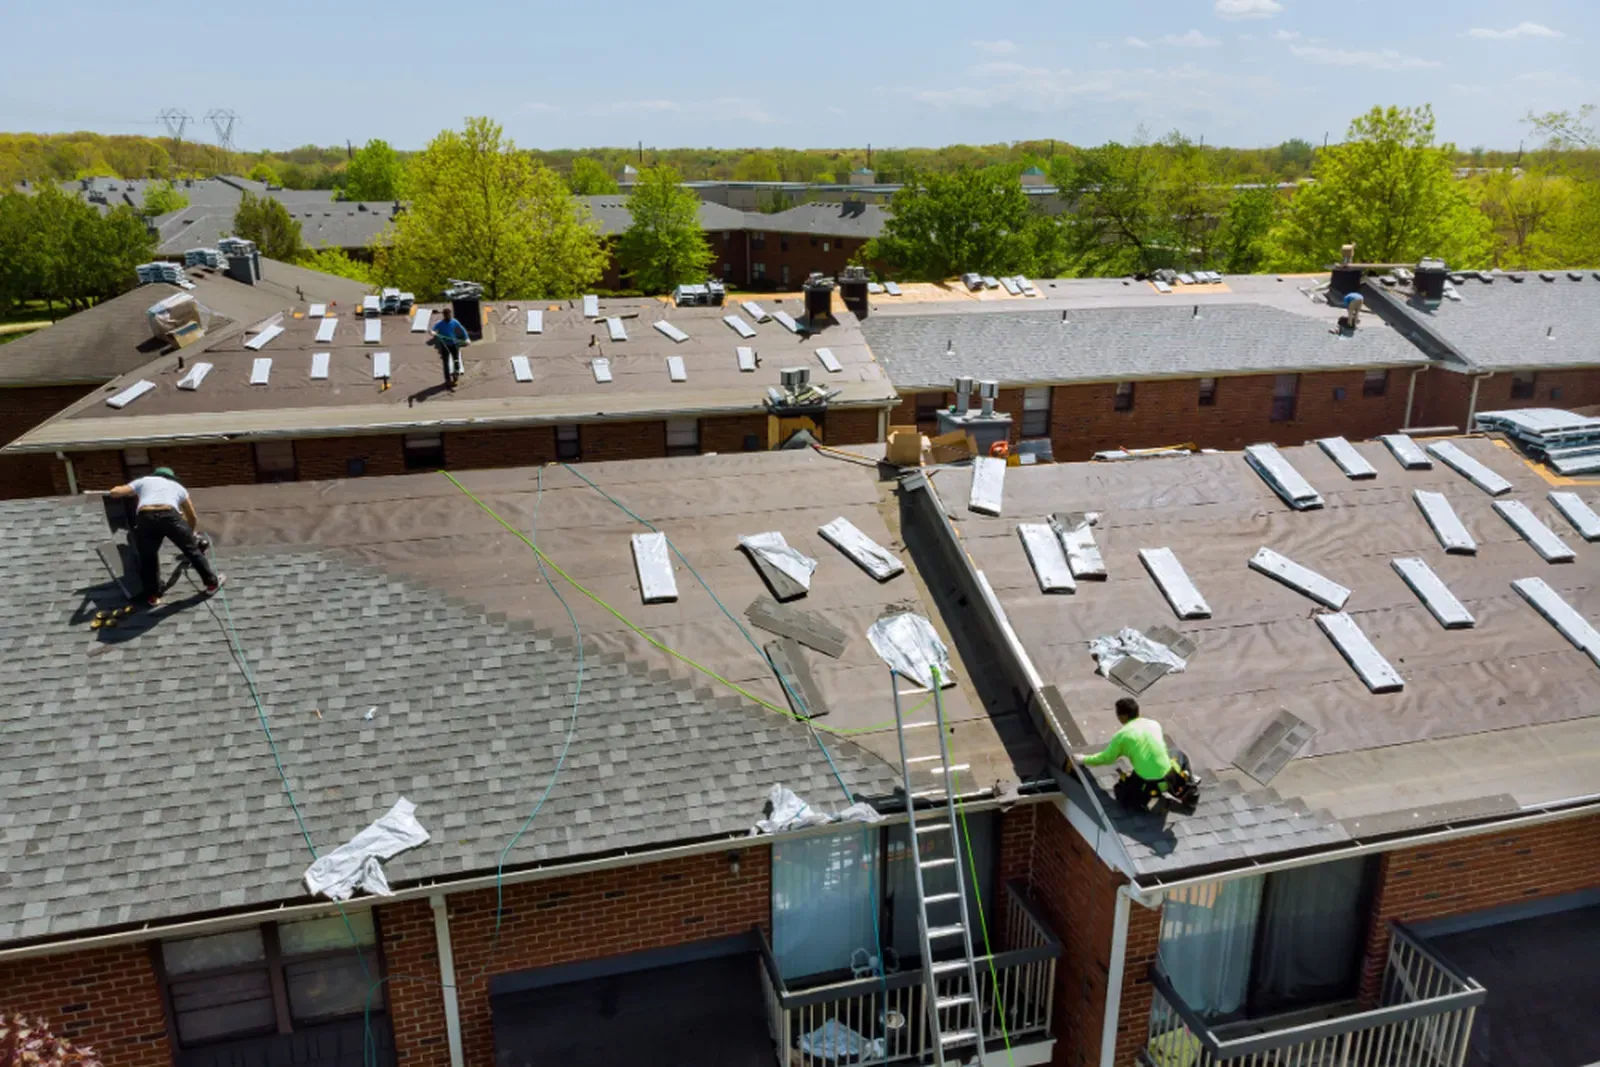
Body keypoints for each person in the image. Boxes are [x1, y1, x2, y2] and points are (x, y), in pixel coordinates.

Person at [108, 467, 224, 607]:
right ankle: (211, 584)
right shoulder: (178, 487)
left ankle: (153, 596)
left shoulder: (144, 481)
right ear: (171, 478)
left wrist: (114, 490)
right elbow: (191, 515)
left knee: (148, 557)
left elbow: (116, 492)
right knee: (192, 550)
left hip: (146, 517)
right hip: (170, 516)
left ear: (156, 475)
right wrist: (190, 534)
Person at [1079, 697, 1191, 811]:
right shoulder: (1154, 724)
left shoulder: (1122, 735)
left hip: (1144, 783)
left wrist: (1084, 759)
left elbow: (1106, 758)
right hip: (1169, 777)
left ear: (1123, 716)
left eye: (1118, 714)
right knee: (1178, 753)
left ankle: (1143, 802)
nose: (1117, 717)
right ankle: (1188, 787)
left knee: (1121, 792)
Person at [430, 307, 470, 390]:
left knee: (456, 360)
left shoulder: (454, 322)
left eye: (449, 314)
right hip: (444, 344)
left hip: (454, 344)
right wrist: (433, 332)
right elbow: (433, 330)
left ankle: (456, 376)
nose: (448, 316)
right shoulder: (440, 323)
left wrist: (466, 339)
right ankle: (447, 380)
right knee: (446, 363)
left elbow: (462, 330)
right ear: (444, 315)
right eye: (446, 315)